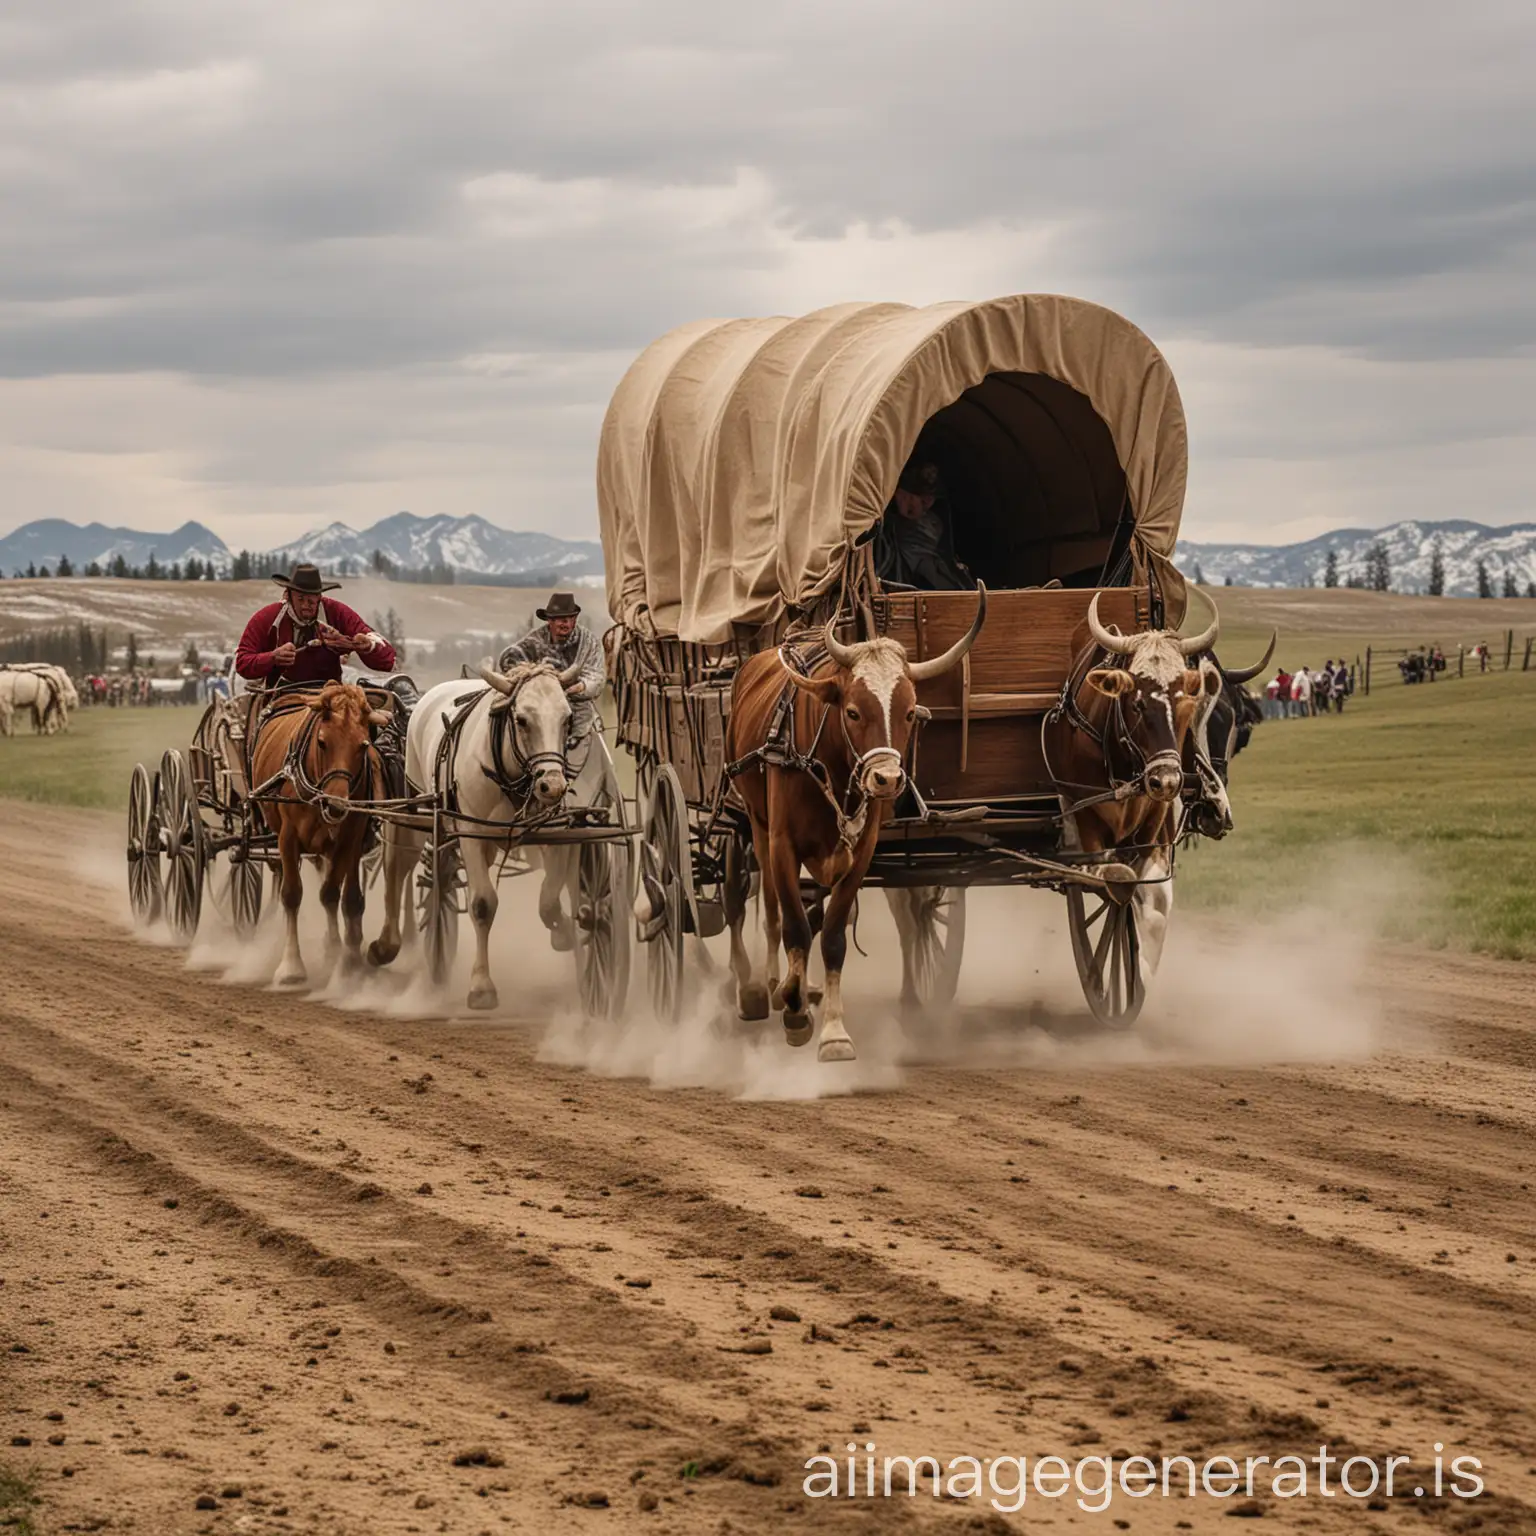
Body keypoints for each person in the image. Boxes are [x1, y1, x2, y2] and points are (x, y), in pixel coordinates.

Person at [235, 563, 396, 687]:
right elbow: (242, 662)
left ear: (320, 596)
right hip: (280, 698)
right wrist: (272, 658)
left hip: (330, 695)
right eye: (300, 599)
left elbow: (387, 658)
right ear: (289, 595)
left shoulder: (336, 612)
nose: (306, 605)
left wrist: (366, 646)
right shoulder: (268, 617)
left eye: (311, 600)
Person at [497, 591, 605, 756]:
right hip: (541, 708)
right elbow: (509, 657)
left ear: (575, 619)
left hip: (578, 708)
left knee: (597, 752)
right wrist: (530, 675)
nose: (566, 623)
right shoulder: (535, 641)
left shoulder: (589, 642)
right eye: (560, 619)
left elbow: (596, 677)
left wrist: (580, 687)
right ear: (550, 620)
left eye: (570, 618)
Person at [873, 460, 975, 591]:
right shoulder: (884, 531)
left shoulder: (932, 523)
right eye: (918, 497)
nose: (926, 503)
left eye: (927, 499)